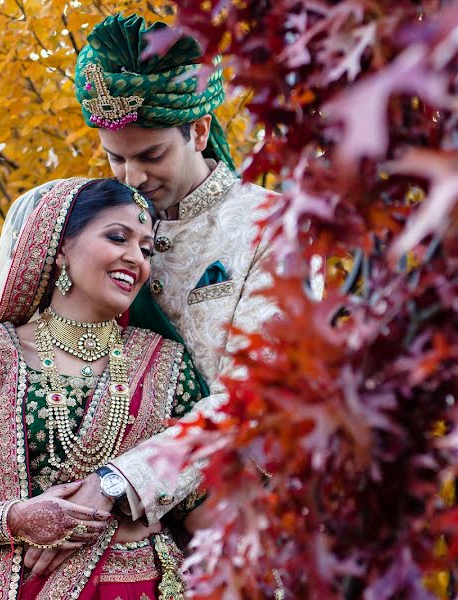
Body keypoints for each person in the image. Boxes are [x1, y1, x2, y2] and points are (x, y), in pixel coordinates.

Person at [37, 11, 279, 548]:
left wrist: (122, 483)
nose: (133, 178)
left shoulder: (270, 227)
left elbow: (256, 396)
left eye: (151, 155)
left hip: (231, 529)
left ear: (199, 129)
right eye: (114, 158)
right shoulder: (88, 224)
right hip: (96, 530)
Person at [0, 178, 205, 599]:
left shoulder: (165, 362)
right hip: (19, 587)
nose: (136, 258)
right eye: (117, 237)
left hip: (140, 587)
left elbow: (199, 500)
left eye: (146, 249)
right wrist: (17, 518)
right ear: (59, 249)